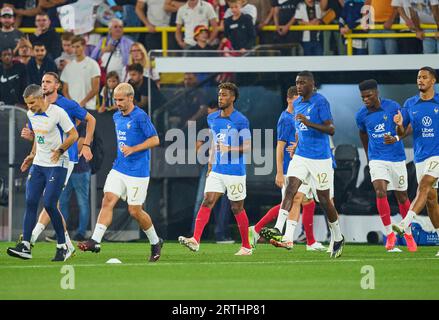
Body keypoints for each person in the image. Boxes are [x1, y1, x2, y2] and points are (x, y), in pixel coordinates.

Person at [78, 83, 164, 262]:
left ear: (131, 98)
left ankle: (156, 242)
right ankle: (95, 240)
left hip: (138, 172)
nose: (117, 103)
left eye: (121, 99)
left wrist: (134, 148)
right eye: (115, 99)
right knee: (107, 201)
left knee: (135, 211)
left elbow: (155, 139)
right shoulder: (116, 116)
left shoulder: (140, 116)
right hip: (119, 168)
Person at [20, 72, 96, 251]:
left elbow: (90, 119)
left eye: (48, 82)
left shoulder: (66, 105)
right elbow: (39, 136)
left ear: (57, 85)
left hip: (64, 159)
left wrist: (86, 145)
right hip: (44, 159)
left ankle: (32, 238)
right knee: (50, 201)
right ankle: (65, 244)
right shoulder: (36, 107)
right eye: (42, 82)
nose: (44, 84)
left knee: (50, 201)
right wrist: (32, 149)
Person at [274, 71, 345, 258]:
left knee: (324, 200)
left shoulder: (321, 102)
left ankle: (337, 236)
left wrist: (309, 122)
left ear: (312, 84)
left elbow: (331, 129)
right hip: (301, 156)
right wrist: (297, 144)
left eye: (303, 83)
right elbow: (300, 130)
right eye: (297, 82)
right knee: (291, 189)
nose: (299, 86)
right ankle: (277, 229)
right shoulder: (297, 103)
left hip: (320, 159)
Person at [178, 82, 253, 255]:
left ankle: (246, 247)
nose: (221, 97)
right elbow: (214, 142)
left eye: (225, 94)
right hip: (217, 170)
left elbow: (247, 146)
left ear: (233, 98)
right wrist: (211, 163)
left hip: (235, 171)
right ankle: (195, 240)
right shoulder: (212, 118)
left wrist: (230, 149)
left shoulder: (241, 120)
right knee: (207, 200)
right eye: (219, 94)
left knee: (237, 208)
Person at [249, 86, 326, 251]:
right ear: (289, 99)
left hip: (304, 162)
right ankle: (259, 230)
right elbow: (280, 146)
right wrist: (279, 172)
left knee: (308, 201)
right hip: (290, 167)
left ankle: (309, 241)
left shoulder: (300, 116)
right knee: (294, 200)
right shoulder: (286, 118)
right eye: (297, 98)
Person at [6, 84, 78, 262]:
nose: (29, 107)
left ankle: (63, 246)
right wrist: (31, 156)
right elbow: (39, 137)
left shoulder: (58, 113)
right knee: (30, 202)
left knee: (49, 204)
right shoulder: (31, 114)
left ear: (40, 98)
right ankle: (25, 246)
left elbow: (74, 135)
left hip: (58, 164)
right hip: (39, 164)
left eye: (31, 102)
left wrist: (60, 150)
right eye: (27, 103)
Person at [355, 79, 417, 252]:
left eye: (368, 96)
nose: (366, 100)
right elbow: (363, 134)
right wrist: (369, 158)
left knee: (402, 197)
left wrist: (398, 128)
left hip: (396, 158)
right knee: (380, 191)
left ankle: (408, 233)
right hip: (377, 159)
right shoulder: (361, 115)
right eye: (363, 97)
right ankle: (390, 234)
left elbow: (403, 131)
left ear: (377, 93)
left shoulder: (393, 107)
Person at [392, 66, 439, 257]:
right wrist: (399, 125)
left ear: (433, 81)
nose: (420, 80)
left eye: (424, 77)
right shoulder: (410, 103)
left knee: (424, 184)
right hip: (420, 156)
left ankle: (405, 223)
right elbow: (402, 134)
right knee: (431, 200)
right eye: (418, 77)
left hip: (438, 154)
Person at [59, 121, 91, 241]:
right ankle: (61, 231)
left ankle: (81, 233)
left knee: (82, 202)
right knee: (62, 202)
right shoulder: (63, 122)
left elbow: (79, 146)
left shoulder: (84, 125)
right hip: (65, 169)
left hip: (80, 170)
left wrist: (62, 149)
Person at [61, 35, 101, 111]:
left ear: (84, 46)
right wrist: (72, 104)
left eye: (78, 46)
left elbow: (95, 89)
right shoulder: (68, 67)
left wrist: (82, 103)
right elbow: (65, 90)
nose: (75, 49)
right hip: (73, 109)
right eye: (73, 47)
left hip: (88, 107)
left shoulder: (92, 64)